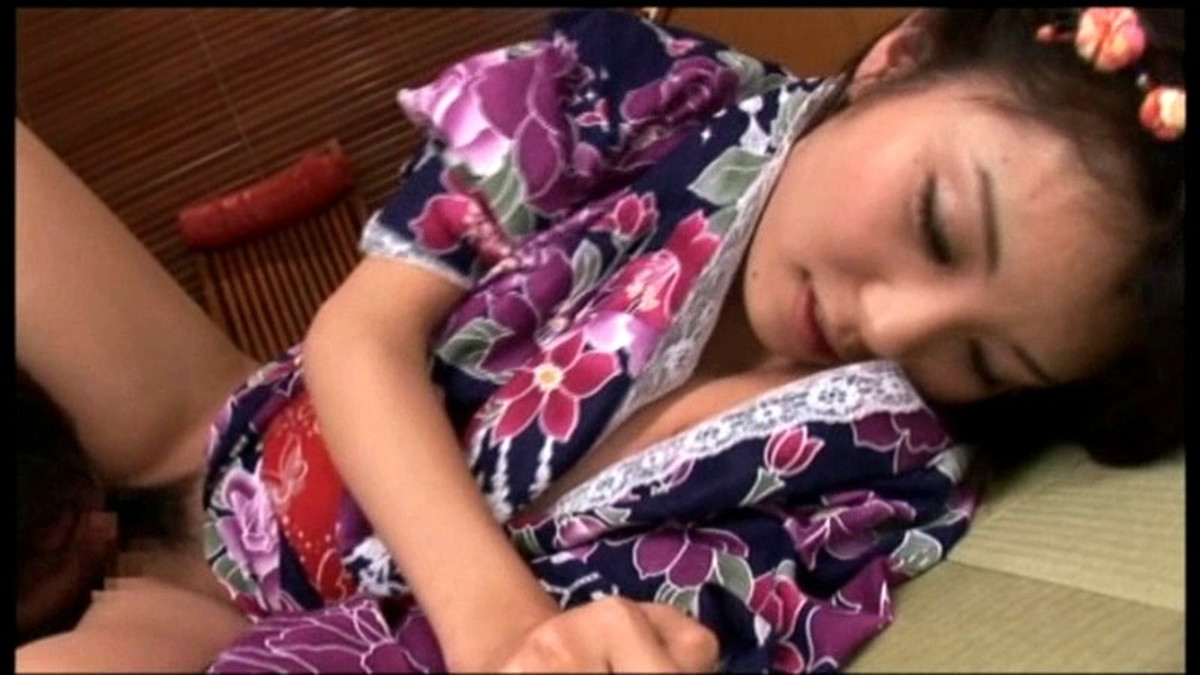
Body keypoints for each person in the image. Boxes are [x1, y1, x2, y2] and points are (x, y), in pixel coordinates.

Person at [16, 7, 1183, 672]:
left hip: (241, 621)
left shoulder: (889, 482)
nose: (891, 326)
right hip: (222, 420)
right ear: (903, 57)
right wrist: (501, 623)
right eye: (936, 226)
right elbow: (361, 334)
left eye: (986, 361)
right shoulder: (641, 88)